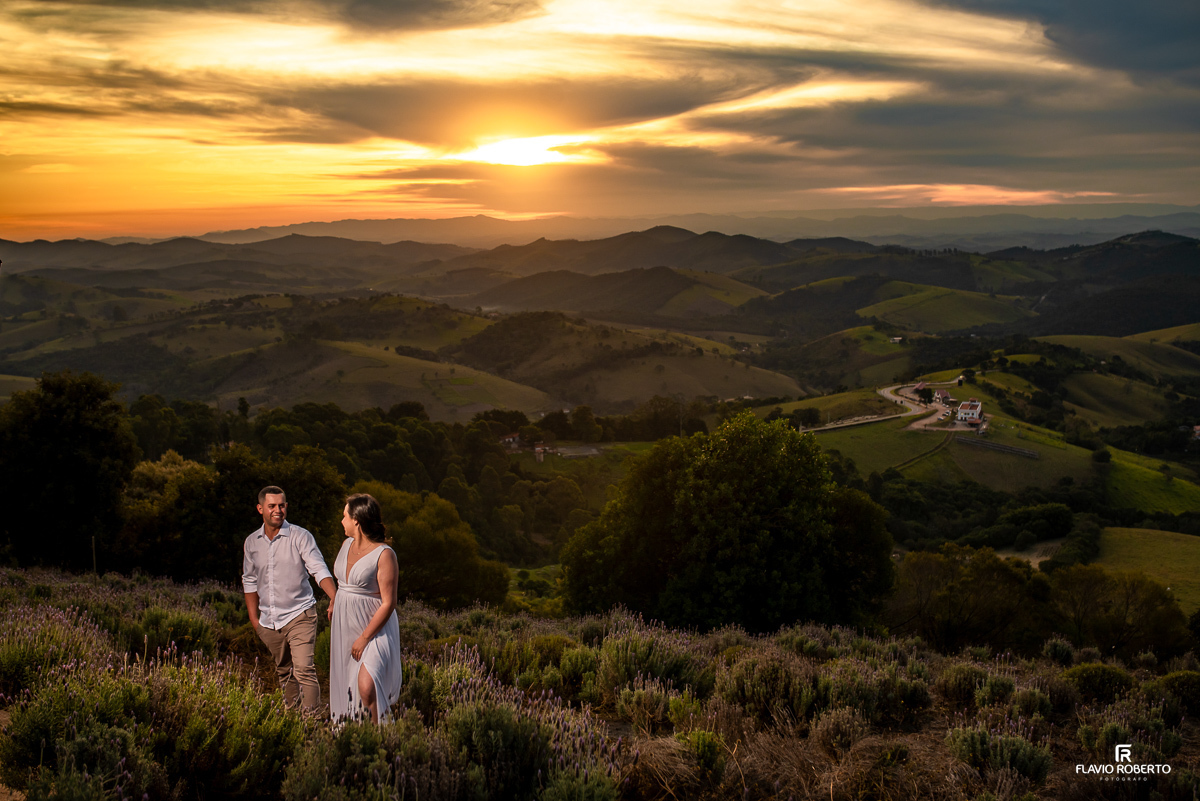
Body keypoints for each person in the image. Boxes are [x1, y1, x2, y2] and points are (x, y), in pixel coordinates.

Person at [242, 485, 337, 715]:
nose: (278, 510)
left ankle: (310, 724)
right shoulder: (252, 542)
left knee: (304, 669)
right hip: (269, 623)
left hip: (300, 614)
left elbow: (318, 569)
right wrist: (255, 621)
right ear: (260, 508)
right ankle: (292, 722)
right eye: (272, 506)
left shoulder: (300, 536)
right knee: (284, 671)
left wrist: (334, 597)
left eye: (282, 505)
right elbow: (250, 581)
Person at [330, 493, 403, 723]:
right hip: (345, 627)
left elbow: (389, 602)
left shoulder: (384, 555)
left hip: (374, 631)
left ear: (356, 521)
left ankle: (381, 740)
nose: (341, 521)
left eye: (344, 516)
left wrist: (364, 637)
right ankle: (356, 736)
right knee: (349, 683)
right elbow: (345, 584)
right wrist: (334, 601)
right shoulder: (345, 545)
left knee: (366, 685)